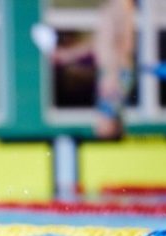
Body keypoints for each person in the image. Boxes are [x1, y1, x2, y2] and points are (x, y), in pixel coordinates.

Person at [32, 0, 136, 139]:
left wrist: (68, 56)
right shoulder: (113, 97)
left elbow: (115, 46)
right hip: (114, 70)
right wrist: (68, 56)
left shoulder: (121, 6)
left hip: (115, 69)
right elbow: (102, 46)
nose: (97, 128)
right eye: (102, 129)